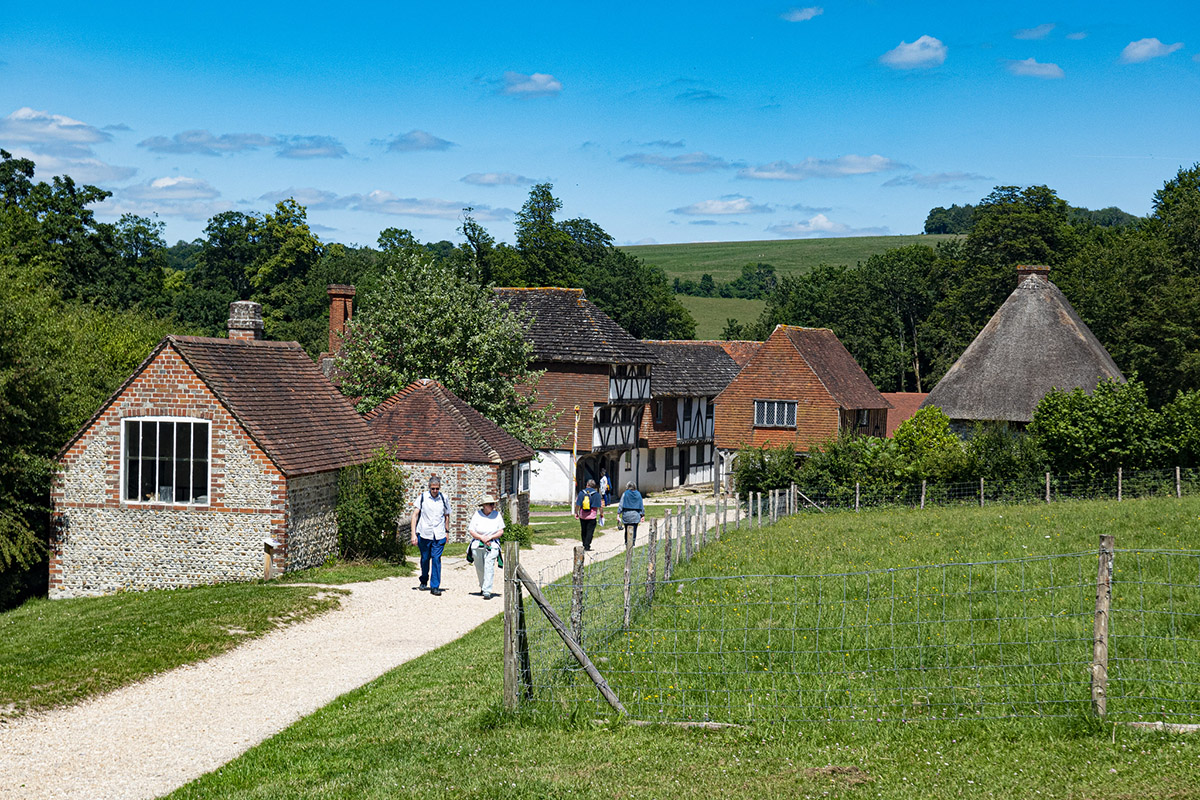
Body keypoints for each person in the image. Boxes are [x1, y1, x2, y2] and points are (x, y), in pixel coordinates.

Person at [410, 475, 451, 596]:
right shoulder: (422, 498)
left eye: (437, 488)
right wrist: (413, 534)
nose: (435, 491)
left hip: (439, 534)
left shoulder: (444, 498)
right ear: (429, 487)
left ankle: (435, 586)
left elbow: (447, 515)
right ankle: (423, 579)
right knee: (425, 558)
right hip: (424, 533)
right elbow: (415, 515)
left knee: (436, 559)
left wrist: (447, 531)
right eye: (433, 488)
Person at [468, 494, 505, 600]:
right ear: (484, 505)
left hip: (492, 544)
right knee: (480, 568)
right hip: (478, 543)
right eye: (490, 504)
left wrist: (490, 537)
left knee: (489, 566)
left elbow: (500, 531)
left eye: (493, 504)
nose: (492, 506)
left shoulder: (497, 515)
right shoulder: (477, 515)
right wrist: (482, 538)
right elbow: (471, 530)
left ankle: (487, 591)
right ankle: (483, 586)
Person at [574, 478, 601, 551]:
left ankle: (584, 544)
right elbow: (599, 506)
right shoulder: (597, 494)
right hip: (592, 516)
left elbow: (578, 504)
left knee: (583, 530)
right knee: (590, 531)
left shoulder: (581, 493)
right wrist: (602, 514)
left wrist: (576, 512)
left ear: (587, 485)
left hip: (583, 515)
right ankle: (587, 545)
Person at [618, 482, 645, 546]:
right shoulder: (638, 494)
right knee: (634, 530)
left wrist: (618, 514)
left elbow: (621, 505)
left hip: (626, 514)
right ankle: (632, 543)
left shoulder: (625, 494)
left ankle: (627, 542)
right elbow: (641, 505)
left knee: (627, 530)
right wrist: (642, 515)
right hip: (635, 515)